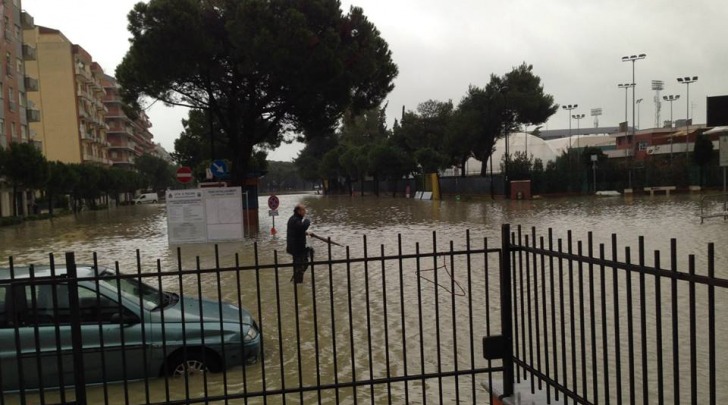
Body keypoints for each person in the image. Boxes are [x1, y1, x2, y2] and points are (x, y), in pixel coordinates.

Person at [286, 203, 313, 283]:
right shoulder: (295, 219)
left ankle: (296, 282)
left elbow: (297, 231)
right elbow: (302, 227)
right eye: (303, 210)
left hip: (297, 247)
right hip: (296, 248)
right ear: (298, 211)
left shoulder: (295, 219)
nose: (305, 212)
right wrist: (307, 221)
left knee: (301, 264)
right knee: (302, 264)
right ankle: (296, 282)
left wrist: (306, 233)